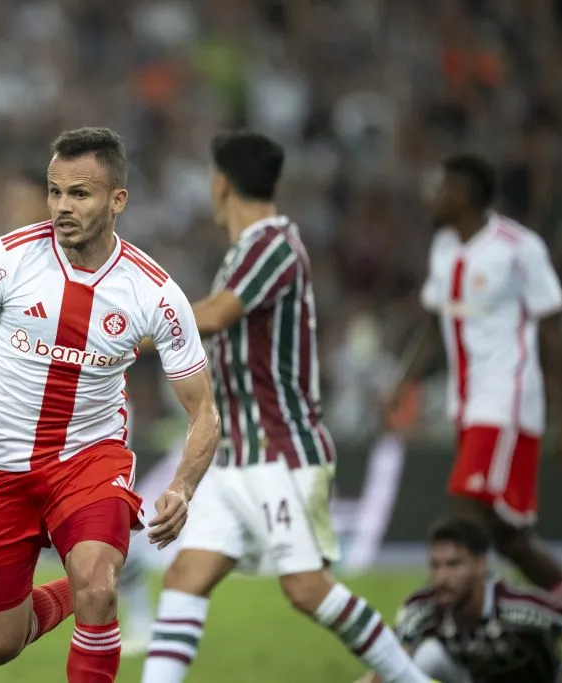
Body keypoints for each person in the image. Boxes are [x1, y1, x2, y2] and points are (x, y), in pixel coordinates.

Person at [141, 131, 436, 683]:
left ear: (221, 182)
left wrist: (141, 326)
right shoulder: (246, 251)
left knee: (306, 588)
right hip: (235, 459)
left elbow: (220, 313)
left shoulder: (271, 244)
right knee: (184, 575)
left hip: (282, 453)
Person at [0, 126, 219, 682]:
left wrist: (182, 486)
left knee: (97, 587)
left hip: (87, 460)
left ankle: (102, 586)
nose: (62, 207)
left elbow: (203, 409)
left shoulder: (155, 293)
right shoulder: (2, 261)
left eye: (79, 194)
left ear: (118, 201)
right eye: (55, 191)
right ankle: (97, 585)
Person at [389, 154, 562, 606]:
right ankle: (560, 601)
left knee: (461, 516)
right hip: (465, 404)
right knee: (507, 536)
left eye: (443, 187)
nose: (434, 195)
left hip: (507, 401)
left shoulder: (518, 248)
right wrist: (403, 382)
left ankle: (444, 624)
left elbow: (551, 336)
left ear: (466, 194)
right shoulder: (444, 248)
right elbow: (434, 325)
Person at [2, 163, 157, 656]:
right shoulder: (8, 259)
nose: (11, 212)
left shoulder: (86, 255)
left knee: (86, 537)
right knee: (64, 550)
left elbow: (142, 318)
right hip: (26, 427)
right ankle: (103, 583)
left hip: (89, 423)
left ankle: (134, 605)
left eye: (19, 201)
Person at [360, 516, 562, 683]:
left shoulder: (519, 606)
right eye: (435, 565)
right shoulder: (424, 607)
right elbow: (389, 666)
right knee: (427, 656)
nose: (441, 577)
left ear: (480, 564)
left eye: (454, 564)